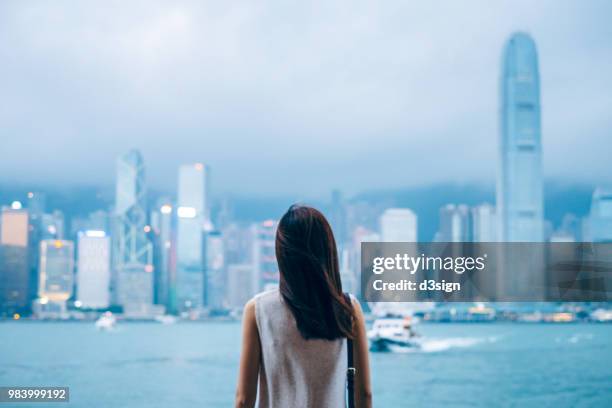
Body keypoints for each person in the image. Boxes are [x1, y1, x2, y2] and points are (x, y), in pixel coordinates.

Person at [235, 205, 372, 408]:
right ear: (327, 250)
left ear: (282, 253)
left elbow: (244, 399)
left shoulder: (258, 310)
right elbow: (364, 395)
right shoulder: (348, 308)